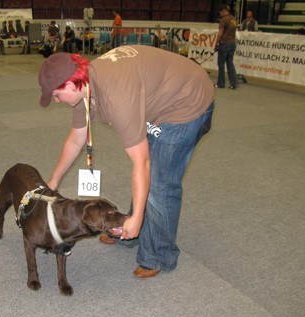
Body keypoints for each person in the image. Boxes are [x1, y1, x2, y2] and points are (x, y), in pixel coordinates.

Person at [38, 46, 215, 279]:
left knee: (160, 183)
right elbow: (76, 139)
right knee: (149, 177)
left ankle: (159, 255)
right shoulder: (85, 85)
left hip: (187, 103)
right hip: (158, 97)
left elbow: (141, 163)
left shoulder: (117, 97)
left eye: (57, 95)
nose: (57, 100)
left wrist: (139, 216)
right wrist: (53, 182)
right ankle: (130, 228)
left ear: (70, 85)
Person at [214, 5, 238, 89]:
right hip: (232, 43)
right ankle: (234, 83)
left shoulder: (223, 20)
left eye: (220, 12)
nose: (220, 14)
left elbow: (220, 33)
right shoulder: (233, 19)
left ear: (224, 11)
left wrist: (216, 43)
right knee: (230, 63)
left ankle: (221, 83)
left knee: (221, 64)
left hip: (224, 43)